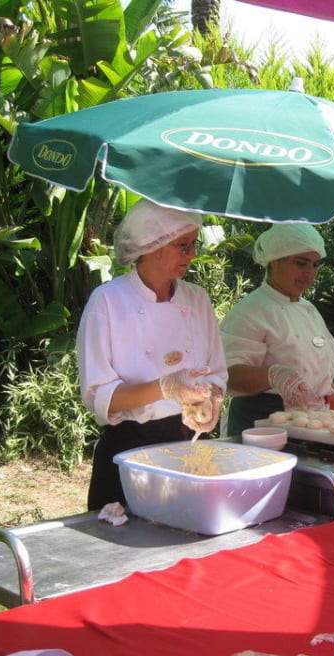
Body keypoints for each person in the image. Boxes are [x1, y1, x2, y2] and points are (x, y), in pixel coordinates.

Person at [77, 199, 227, 511]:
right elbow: (100, 396)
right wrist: (164, 388)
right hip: (128, 448)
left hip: (187, 443)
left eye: (193, 244)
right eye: (183, 246)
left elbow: (216, 372)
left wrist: (211, 400)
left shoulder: (197, 299)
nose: (193, 254)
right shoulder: (108, 302)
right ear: (151, 245)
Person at [220, 224, 334, 435]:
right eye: (301, 263)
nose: (309, 274)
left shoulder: (308, 309)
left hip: (312, 425)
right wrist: (274, 376)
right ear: (274, 261)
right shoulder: (250, 311)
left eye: (315, 265)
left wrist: (333, 398)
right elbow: (226, 376)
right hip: (261, 426)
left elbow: (317, 367)